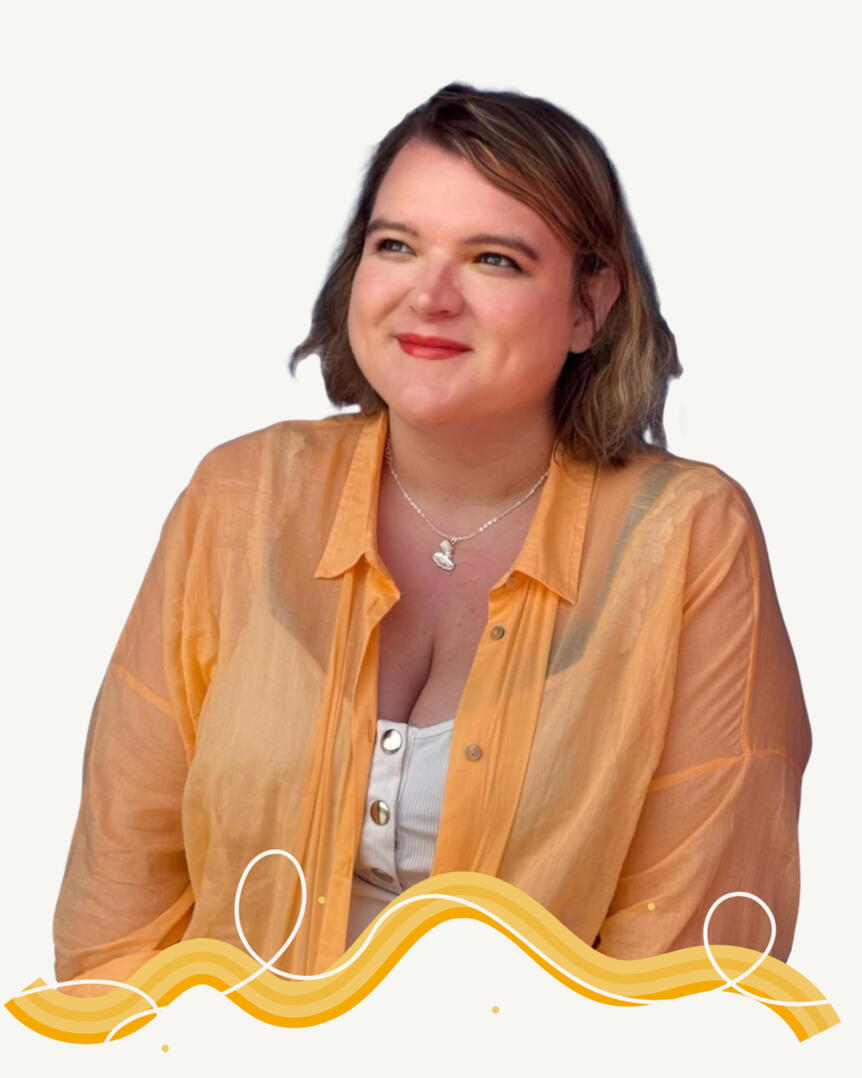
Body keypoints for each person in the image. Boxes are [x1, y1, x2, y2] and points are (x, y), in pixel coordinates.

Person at [52, 83, 811, 990]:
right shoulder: (240, 497)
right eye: (396, 246)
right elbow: (118, 907)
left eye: (494, 259)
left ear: (588, 303)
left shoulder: (688, 537)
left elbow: (694, 960)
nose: (430, 296)